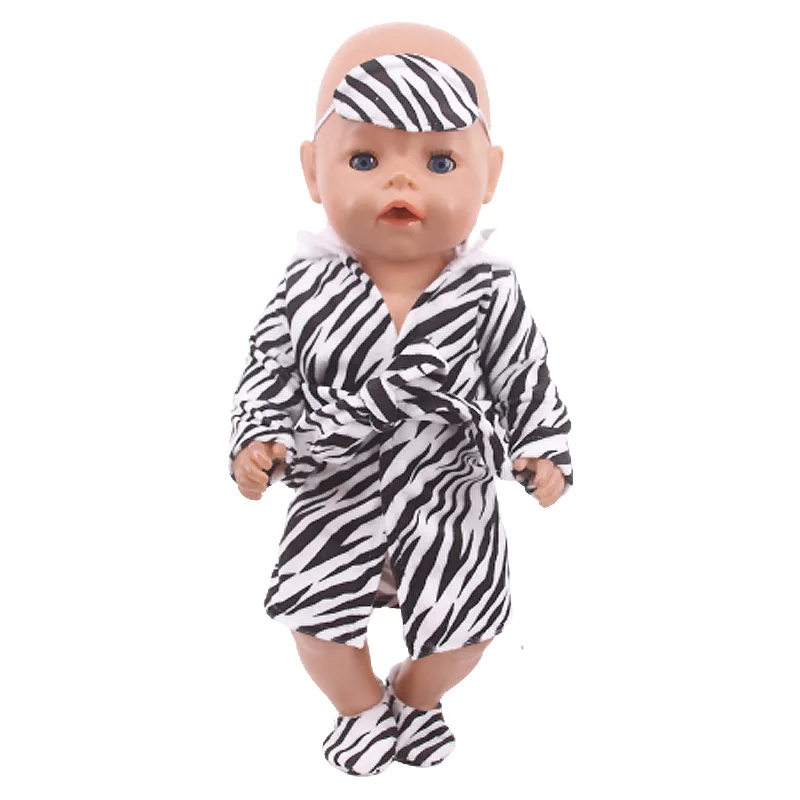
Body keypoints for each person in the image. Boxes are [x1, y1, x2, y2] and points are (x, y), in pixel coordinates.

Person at [229, 22, 573, 776]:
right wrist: (258, 436)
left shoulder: (489, 287)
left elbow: (523, 372)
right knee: (317, 628)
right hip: (335, 481)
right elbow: (269, 366)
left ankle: (416, 698)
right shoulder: (305, 285)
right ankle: (358, 709)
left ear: (490, 175)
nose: (401, 183)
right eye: (364, 159)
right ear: (312, 171)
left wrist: (542, 447)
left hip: (448, 488)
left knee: (467, 633)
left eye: (440, 161)